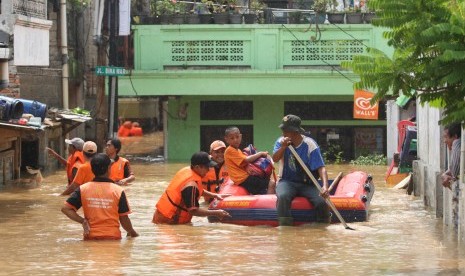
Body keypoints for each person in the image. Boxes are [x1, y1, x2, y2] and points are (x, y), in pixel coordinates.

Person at [61, 153, 139, 240]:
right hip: (112, 239)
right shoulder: (118, 191)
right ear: (108, 169)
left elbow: (65, 209)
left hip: (90, 237)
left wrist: (83, 221)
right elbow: (124, 219)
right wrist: (132, 232)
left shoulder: (83, 189)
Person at [272, 114, 330, 226]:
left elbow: (321, 168)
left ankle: (323, 226)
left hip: (307, 184)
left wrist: (325, 186)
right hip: (287, 181)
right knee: (283, 196)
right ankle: (285, 228)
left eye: (286, 130)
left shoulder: (310, 144)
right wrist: (283, 147)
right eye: (282, 129)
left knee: (321, 202)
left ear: (295, 131)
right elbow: (275, 158)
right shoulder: (280, 142)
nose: (283, 132)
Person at [152, 151, 231, 224]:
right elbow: (194, 211)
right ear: (197, 167)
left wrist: (214, 195)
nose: (208, 170)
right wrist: (216, 213)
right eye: (207, 167)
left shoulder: (187, 171)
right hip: (169, 220)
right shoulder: (191, 185)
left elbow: (198, 190)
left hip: (161, 214)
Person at [224, 126, 276, 195]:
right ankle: (269, 205)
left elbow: (244, 162)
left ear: (240, 136)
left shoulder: (238, 150)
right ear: (226, 139)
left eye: (237, 137)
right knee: (272, 183)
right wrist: (260, 154)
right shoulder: (230, 150)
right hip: (243, 179)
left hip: (244, 178)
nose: (235, 140)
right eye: (232, 138)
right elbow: (247, 159)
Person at [441, 122, 462, 228]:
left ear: (455, 136)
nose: (444, 141)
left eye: (446, 137)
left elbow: (456, 171)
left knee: (457, 224)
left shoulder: (457, 145)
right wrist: (447, 173)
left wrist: (450, 177)